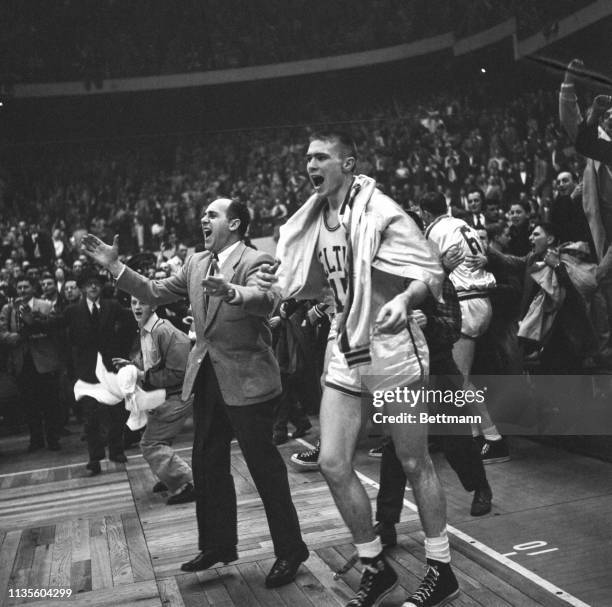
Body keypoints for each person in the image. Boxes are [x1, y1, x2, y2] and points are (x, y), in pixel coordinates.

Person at [257, 132, 459, 607]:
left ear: (347, 163)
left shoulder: (382, 210)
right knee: (331, 461)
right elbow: (305, 279)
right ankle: (375, 565)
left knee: (414, 461)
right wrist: (275, 285)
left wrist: (407, 299)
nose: (310, 163)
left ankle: (441, 568)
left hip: (393, 345)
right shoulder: (314, 217)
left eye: (320, 156)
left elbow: (428, 269)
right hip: (345, 343)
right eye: (306, 156)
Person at [80, 198, 309, 590]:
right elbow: (153, 291)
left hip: (249, 382)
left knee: (264, 469)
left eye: (213, 214)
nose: (204, 219)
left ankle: (291, 550)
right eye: (203, 214)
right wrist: (115, 266)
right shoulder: (196, 262)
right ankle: (218, 545)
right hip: (207, 380)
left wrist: (233, 292)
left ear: (234, 224)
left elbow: (267, 299)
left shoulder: (256, 261)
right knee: (207, 464)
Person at [420, 192, 508, 464]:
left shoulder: (433, 231)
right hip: (483, 300)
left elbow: (428, 274)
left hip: (465, 303)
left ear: (424, 213)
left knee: (461, 380)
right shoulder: (464, 224)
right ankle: (474, 438)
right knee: (460, 379)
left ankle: (494, 440)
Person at [112, 296, 195, 505]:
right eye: (133, 302)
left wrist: (141, 375)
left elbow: (178, 372)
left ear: (155, 305)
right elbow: (152, 362)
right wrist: (132, 364)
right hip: (167, 395)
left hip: (177, 395)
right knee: (157, 440)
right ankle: (171, 478)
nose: (137, 306)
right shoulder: (148, 329)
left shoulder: (163, 330)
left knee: (151, 443)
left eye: (142, 302)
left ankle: (188, 483)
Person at [63, 268, 132, 475]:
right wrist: (31, 322)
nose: (93, 286)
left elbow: (131, 320)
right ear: (83, 288)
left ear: (101, 287)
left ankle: (116, 450)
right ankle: (95, 457)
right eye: (89, 283)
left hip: (110, 368)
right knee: (90, 416)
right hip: (86, 371)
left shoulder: (112, 306)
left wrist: (122, 349)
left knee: (117, 412)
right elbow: (55, 325)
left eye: (96, 283)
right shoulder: (72, 311)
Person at [0, 276, 63, 451]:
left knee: (50, 402)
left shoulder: (46, 305)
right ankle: (35, 440)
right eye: (19, 287)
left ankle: (53, 439)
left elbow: (53, 329)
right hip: (22, 361)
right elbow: (2, 332)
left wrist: (36, 326)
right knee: (29, 404)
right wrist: (17, 337)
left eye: (25, 286)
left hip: (44, 360)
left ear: (32, 288)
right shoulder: (9, 308)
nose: (22, 290)